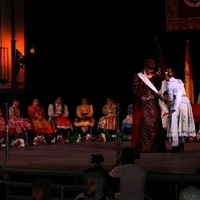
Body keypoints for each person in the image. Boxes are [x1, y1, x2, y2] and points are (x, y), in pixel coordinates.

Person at [131, 58, 166, 152]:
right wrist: (141, 97)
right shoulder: (138, 76)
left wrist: (159, 75)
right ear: (145, 67)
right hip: (144, 103)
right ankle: (145, 147)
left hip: (153, 103)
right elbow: (134, 90)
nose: (151, 70)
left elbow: (163, 81)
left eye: (152, 68)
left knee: (156, 123)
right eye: (150, 68)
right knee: (146, 123)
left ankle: (156, 147)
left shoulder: (154, 76)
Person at [164, 68, 196, 152]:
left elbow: (171, 97)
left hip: (178, 104)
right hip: (185, 103)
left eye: (165, 75)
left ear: (168, 76)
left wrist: (168, 102)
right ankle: (181, 143)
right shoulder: (179, 81)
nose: (164, 77)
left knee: (176, 124)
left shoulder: (169, 83)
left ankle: (176, 145)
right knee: (181, 124)